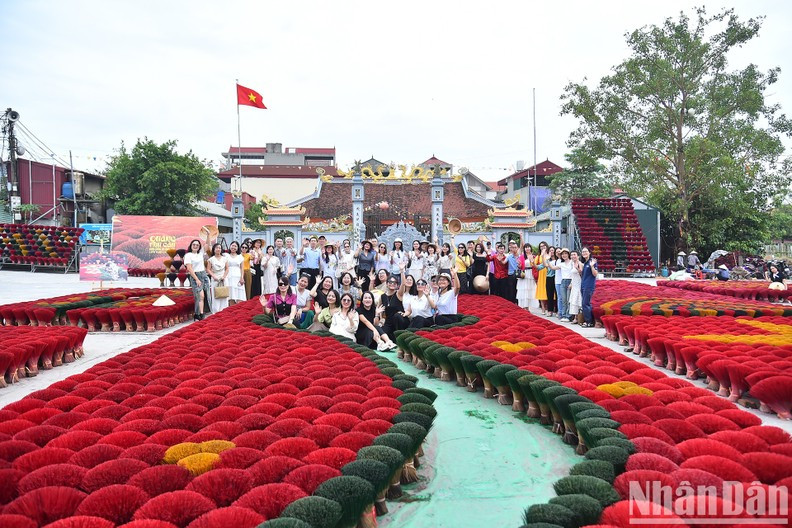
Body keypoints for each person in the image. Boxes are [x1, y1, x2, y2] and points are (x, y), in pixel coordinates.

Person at [380, 268, 410, 340]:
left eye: (394, 283)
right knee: (382, 333)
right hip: (389, 322)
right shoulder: (383, 296)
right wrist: (381, 318)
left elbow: (403, 284)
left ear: (397, 285)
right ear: (387, 283)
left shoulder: (398, 294)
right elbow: (379, 309)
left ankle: (401, 339)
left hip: (400, 320)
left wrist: (402, 271)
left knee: (397, 316)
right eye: (390, 282)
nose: (392, 284)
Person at [185, 239, 210, 320]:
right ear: (191, 246)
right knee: (200, 296)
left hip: (203, 275)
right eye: (194, 244)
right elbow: (189, 268)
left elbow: (207, 244)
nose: (195, 246)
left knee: (203, 296)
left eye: (197, 245)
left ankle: (200, 314)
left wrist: (208, 233)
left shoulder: (200, 254)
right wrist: (196, 279)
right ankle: (199, 314)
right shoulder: (188, 255)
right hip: (195, 276)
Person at [207, 243, 229, 313]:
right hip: (215, 279)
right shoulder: (211, 259)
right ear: (214, 249)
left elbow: (227, 269)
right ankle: (215, 312)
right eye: (216, 248)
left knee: (224, 295)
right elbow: (208, 269)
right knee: (215, 295)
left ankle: (224, 311)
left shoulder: (225, 259)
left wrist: (224, 276)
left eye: (219, 248)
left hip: (223, 279)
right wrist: (214, 276)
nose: (218, 249)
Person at [580, 246, 598, 327]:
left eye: (586, 251)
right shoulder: (585, 262)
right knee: (585, 303)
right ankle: (590, 320)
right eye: (583, 252)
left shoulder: (592, 262)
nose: (584, 253)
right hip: (583, 285)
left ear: (589, 253)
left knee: (585, 303)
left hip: (589, 286)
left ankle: (589, 322)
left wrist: (592, 266)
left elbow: (595, 274)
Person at [517, 243, 538, 311]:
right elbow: (519, 266)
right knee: (524, 289)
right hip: (524, 274)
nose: (527, 248)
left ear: (530, 248)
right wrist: (519, 265)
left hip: (531, 274)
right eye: (526, 247)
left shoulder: (534, 256)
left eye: (528, 247)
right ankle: (524, 306)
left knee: (530, 290)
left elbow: (535, 266)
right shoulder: (522, 256)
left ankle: (528, 306)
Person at [226, 241, 246, 306]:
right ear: (230, 246)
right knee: (230, 295)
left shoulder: (240, 257)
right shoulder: (226, 256)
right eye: (232, 245)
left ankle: (238, 310)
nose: (233, 247)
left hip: (237, 277)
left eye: (235, 246)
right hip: (228, 276)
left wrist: (242, 278)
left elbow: (242, 268)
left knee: (239, 295)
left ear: (238, 248)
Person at [568, 250, 583, 323]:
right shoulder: (572, 264)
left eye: (574, 254)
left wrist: (578, 269)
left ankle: (578, 317)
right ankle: (575, 317)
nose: (573, 256)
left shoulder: (580, 264)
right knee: (574, 300)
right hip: (574, 284)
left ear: (578, 256)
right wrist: (571, 283)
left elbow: (582, 274)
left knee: (578, 299)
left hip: (579, 284)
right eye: (572, 255)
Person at [535, 241, 549, 315]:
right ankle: (543, 308)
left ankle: (548, 308)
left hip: (549, 274)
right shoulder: (538, 256)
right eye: (541, 246)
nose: (542, 247)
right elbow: (536, 266)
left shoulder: (550, 254)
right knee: (541, 292)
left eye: (544, 246)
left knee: (549, 292)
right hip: (541, 275)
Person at [543, 245, 558, 316]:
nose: (552, 252)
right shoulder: (548, 260)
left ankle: (557, 310)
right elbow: (545, 265)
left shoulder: (558, 260)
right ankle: (550, 310)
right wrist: (543, 256)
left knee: (558, 295)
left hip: (557, 277)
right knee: (550, 294)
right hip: (549, 277)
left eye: (553, 250)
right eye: (550, 250)